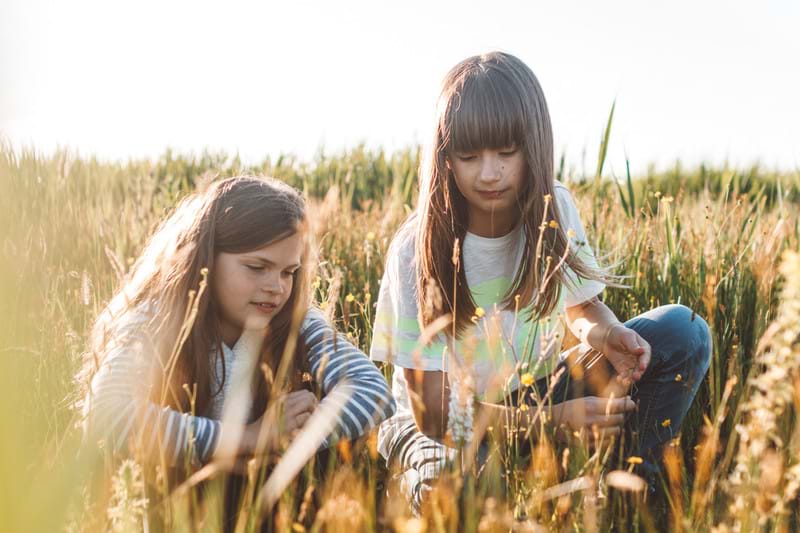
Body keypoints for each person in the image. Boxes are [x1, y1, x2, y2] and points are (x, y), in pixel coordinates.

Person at [369, 51, 711, 509]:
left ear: (535, 145)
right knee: (450, 494)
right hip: (438, 421)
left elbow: (581, 307)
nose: (489, 173)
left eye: (507, 153)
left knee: (682, 332)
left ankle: (628, 496)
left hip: (538, 387)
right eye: (469, 156)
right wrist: (551, 421)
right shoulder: (416, 247)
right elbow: (432, 410)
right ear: (444, 157)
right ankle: (415, 483)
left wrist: (608, 333)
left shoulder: (554, 208)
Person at [81, 176, 395, 472]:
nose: (276, 287)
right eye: (258, 267)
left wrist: (291, 435)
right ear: (204, 259)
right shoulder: (155, 319)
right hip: (164, 504)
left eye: (289, 272)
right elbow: (107, 415)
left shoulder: (296, 319)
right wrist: (249, 438)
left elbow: (373, 391)